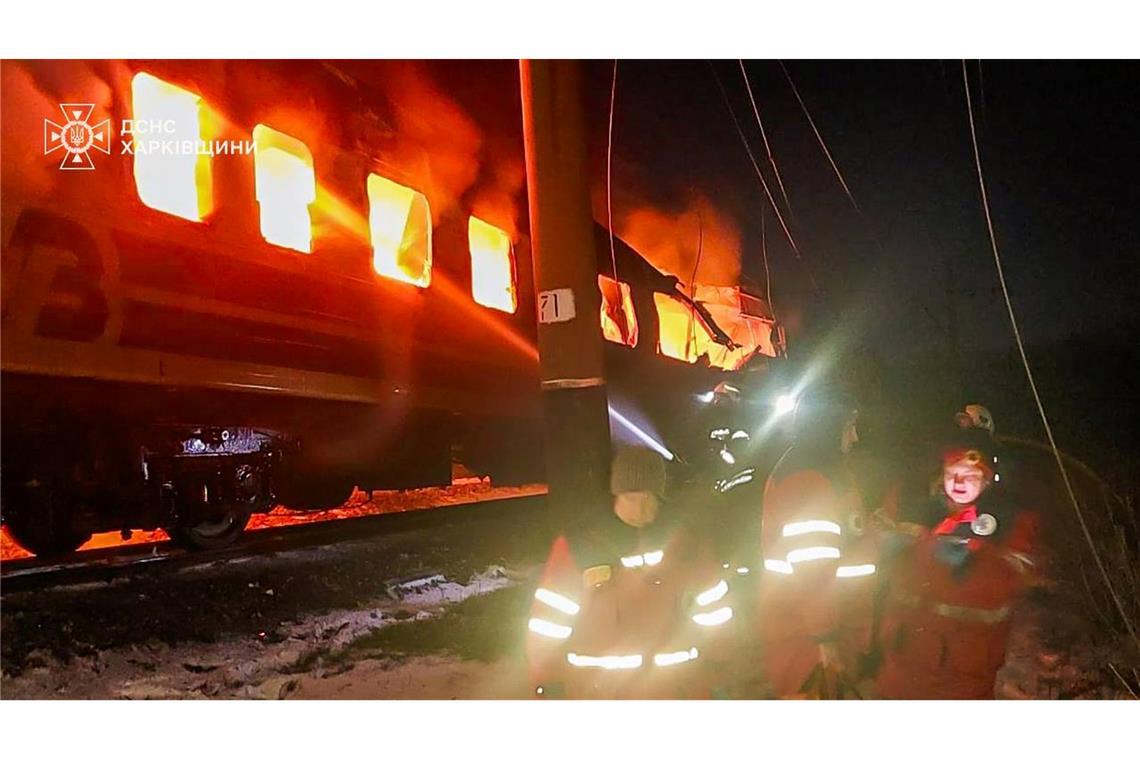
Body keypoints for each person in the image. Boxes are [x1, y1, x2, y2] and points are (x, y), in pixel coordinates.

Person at [524, 446, 736, 699]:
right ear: (616, 495)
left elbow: (713, 609)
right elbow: (549, 621)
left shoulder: (686, 545)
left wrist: (720, 662)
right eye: (631, 498)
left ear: (660, 497)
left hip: (676, 689)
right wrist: (548, 679)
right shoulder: (580, 547)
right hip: (600, 693)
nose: (640, 509)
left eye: (648, 498)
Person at [875, 423, 1038, 699]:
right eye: (953, 474)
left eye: (971, 475)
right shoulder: (921, 514)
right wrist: (887, 546)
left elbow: (1011, 585)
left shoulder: (1011, 523)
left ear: (988, 479)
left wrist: (974, 559)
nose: (959, 483)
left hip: (962, 676)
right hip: (902, 667)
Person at [755, 385, 879, 698]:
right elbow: (813, 569)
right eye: (849, 428)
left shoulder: (820, 471)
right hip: (809, 640)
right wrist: (825, 638)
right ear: (827, 427)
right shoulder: (809, 481)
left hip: (816, 630)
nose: (854, 438)